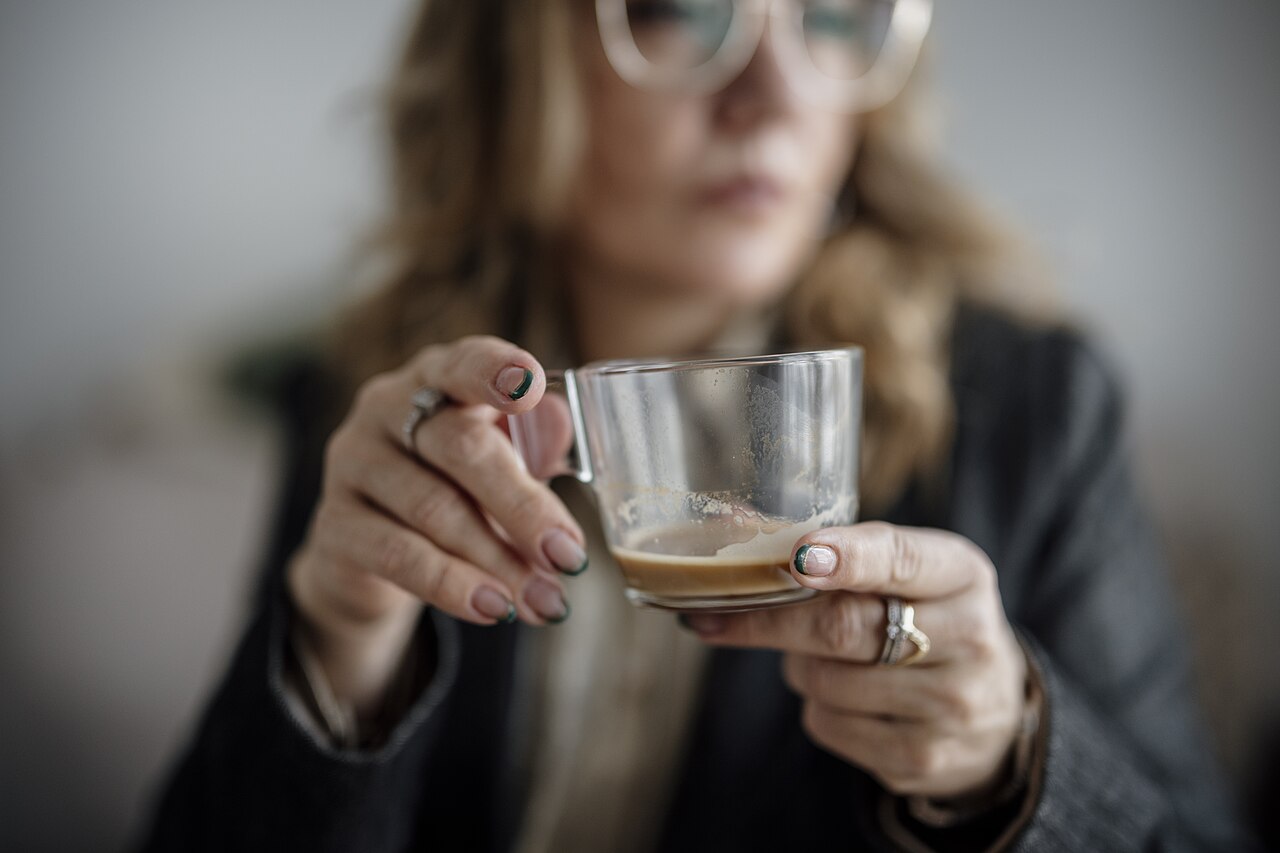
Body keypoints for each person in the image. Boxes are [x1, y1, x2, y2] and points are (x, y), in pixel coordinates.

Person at [138, 0, 1254, 850]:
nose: (774, 95)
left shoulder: (1032, 414)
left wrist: (1009, 762)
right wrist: (332, 644)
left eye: (827, 13)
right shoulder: (377, 399)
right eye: (682, 7)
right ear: (517, 55)